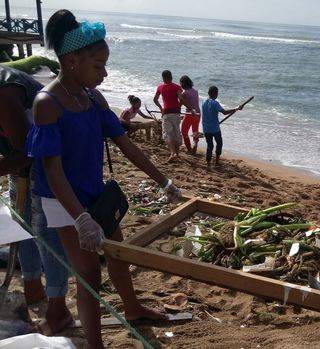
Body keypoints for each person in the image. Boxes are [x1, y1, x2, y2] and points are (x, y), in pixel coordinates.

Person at [26, 10, 181, 348]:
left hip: (94, 191)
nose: (104, 73)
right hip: (62, 199)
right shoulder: (47, 104)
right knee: (89, 274)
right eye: (98, 65)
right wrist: (81, 218)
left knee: (118, 253)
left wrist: (163, 180)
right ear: (71, 61)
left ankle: (132, 307)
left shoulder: (92, 98)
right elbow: (52, 172)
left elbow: (126, 146)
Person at [1, 65, 72, 335]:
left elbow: (26, 151)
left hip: (45, 163)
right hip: (18, 162)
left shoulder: (4, 90)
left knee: (44, 232)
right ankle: (32, 286)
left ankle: (58, 307)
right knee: (21, 225)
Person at [201, 85, 242, 167]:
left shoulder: (203, 102)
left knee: (210, 145)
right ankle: (216, 161)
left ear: (208, 93)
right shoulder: (215, 103)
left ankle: (208, 163)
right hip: (215, 128)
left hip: (206, 128)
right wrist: (236, 108)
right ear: (216, 94)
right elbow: (224, 112)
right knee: (219, 143)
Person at [153, 69, 183, 162]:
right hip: (176, 113)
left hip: (166, 113)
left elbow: (155, 99)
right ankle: (176, 154)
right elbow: (181, 99)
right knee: (176, 132)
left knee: (167, 134)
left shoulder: (160, 87)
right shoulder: (177, 87)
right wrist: (179, 106)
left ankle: (173, 153)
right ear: (171, 77)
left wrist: (160, 108)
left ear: (163, 78)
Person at [179, 75, 200, 154]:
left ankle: (189, 149)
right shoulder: (195, 91)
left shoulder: (185, 93)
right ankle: (195, 144)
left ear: (183, 83)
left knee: (184, 132)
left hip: (190, 113)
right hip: (198, 113)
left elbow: (180, 104)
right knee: (195, 131)